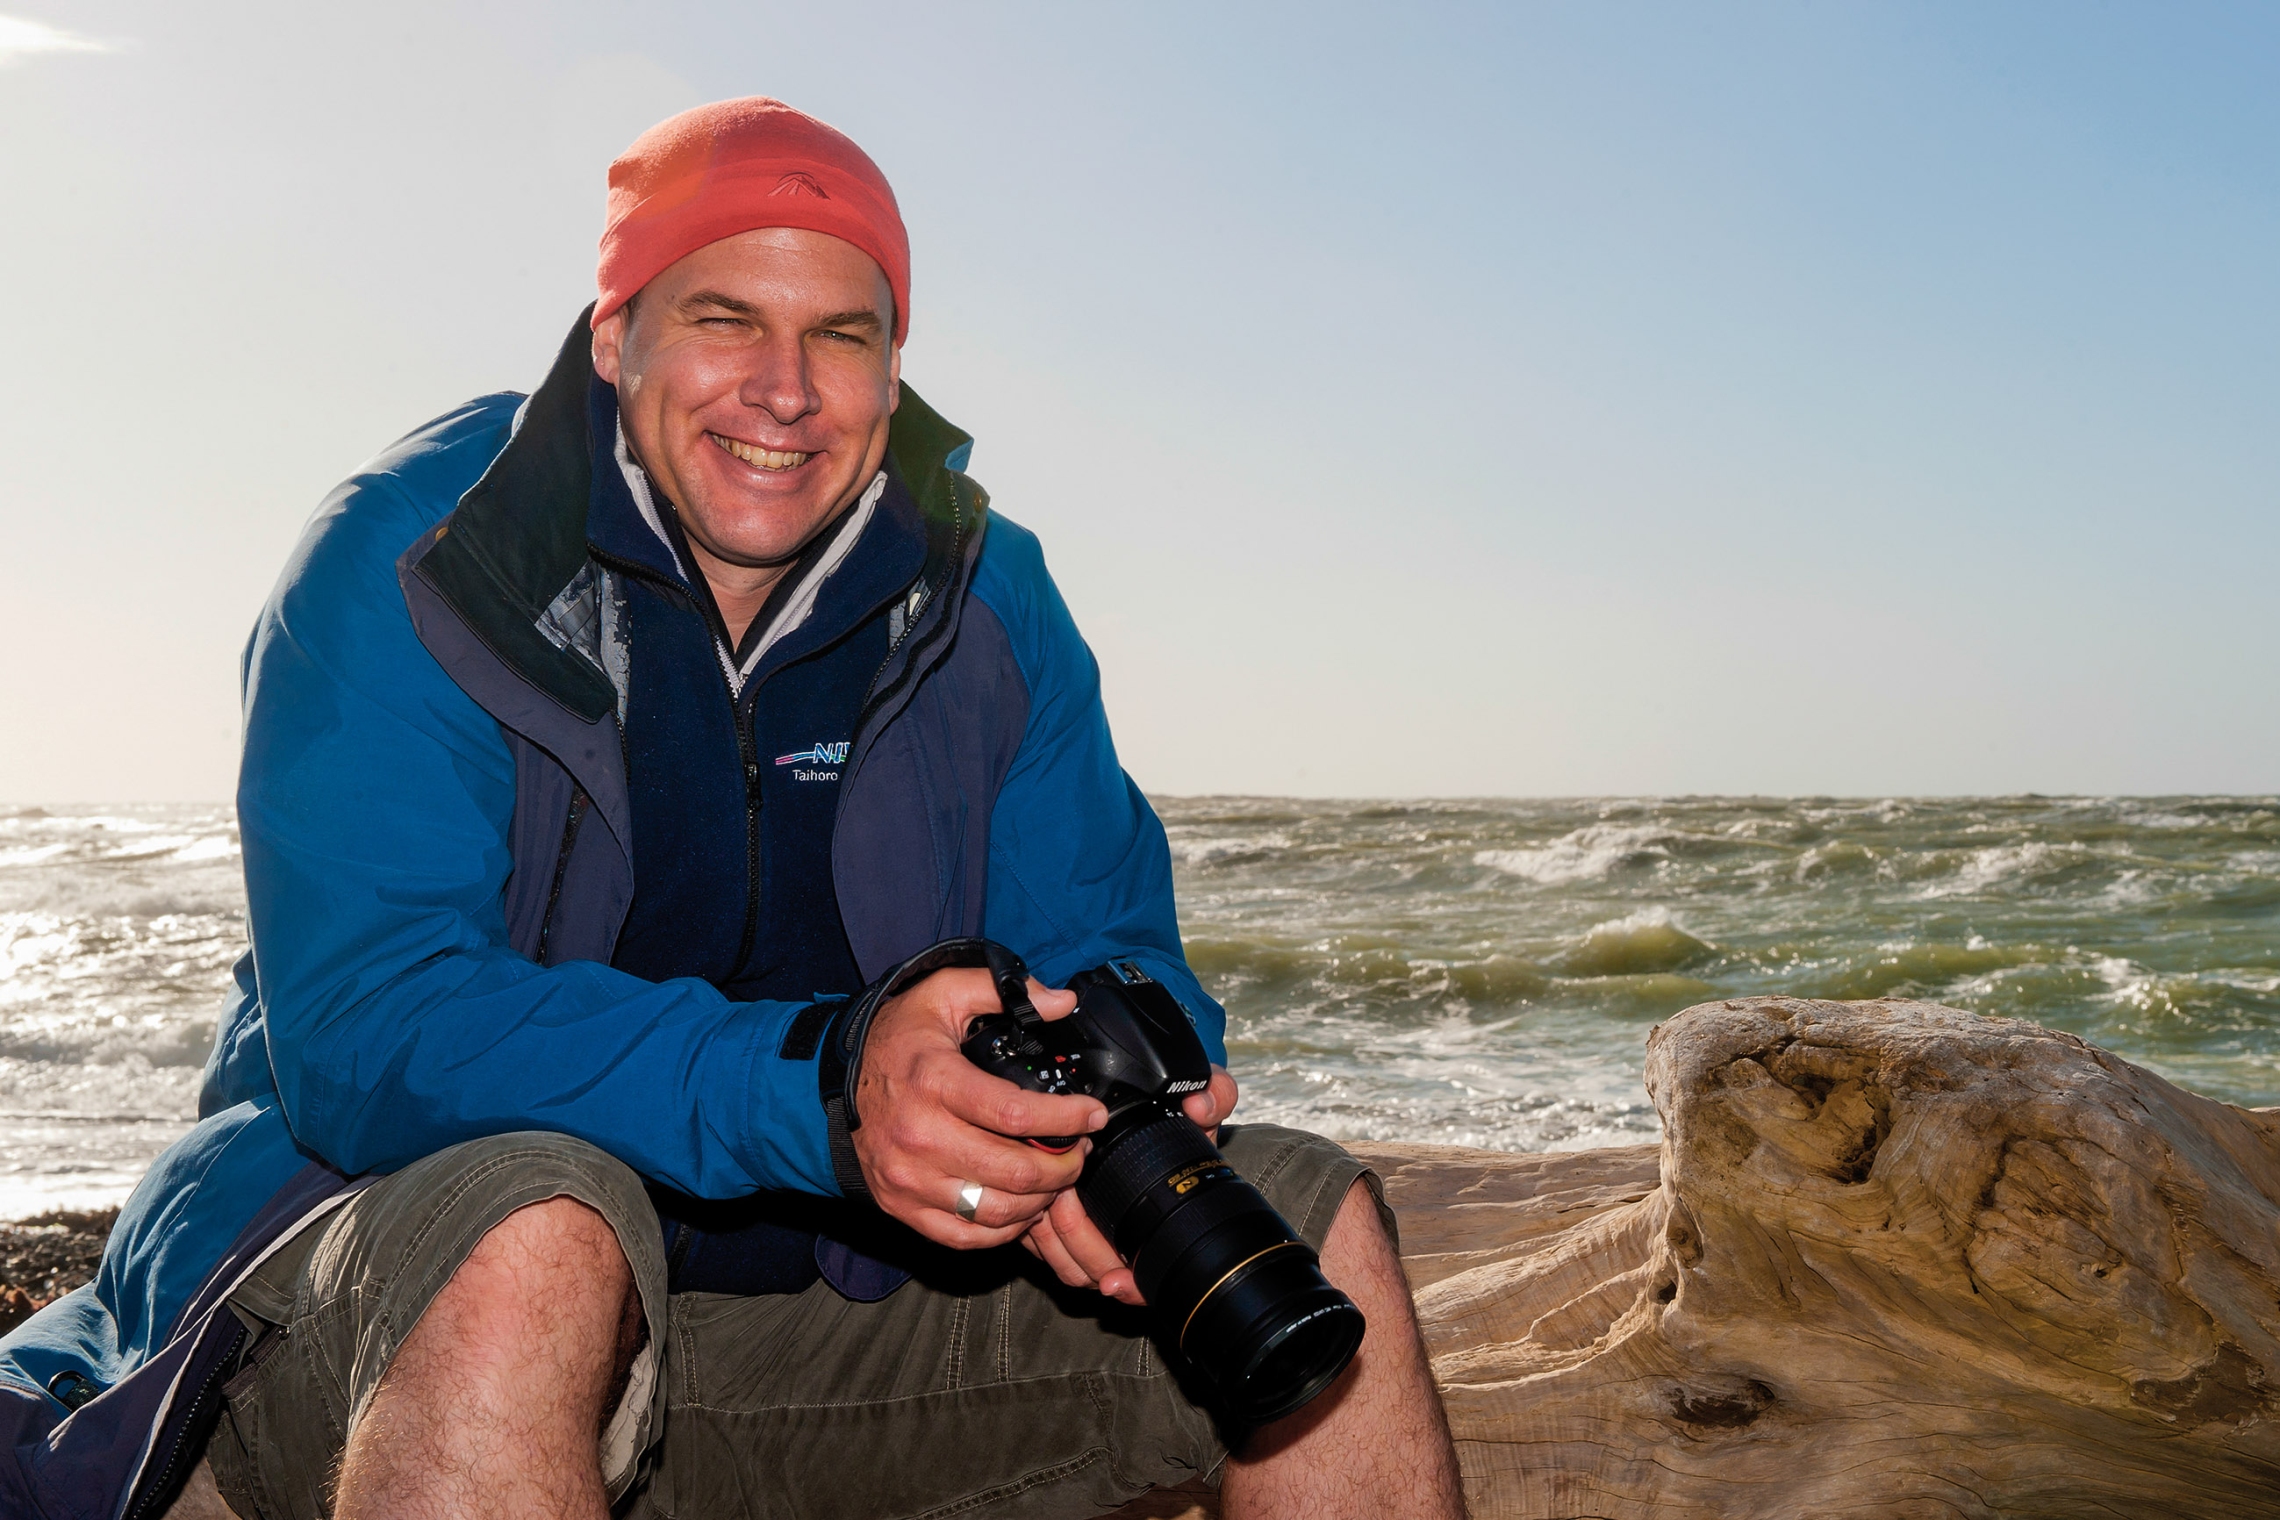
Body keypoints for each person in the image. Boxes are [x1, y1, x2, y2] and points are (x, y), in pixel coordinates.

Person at [0, 98, 1465, 1520]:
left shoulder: (986, 591)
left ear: (894, 369)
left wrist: (1101, 1101)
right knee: (541, 1229)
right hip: (399, 1299)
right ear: (614, 335)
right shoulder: (422, 556)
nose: (785, 388)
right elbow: (368, 1031)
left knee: (1311, 1214)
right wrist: (824, 1089)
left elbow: (1105, 935)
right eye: (724, 320)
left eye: (843, 335)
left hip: (832, 1327)